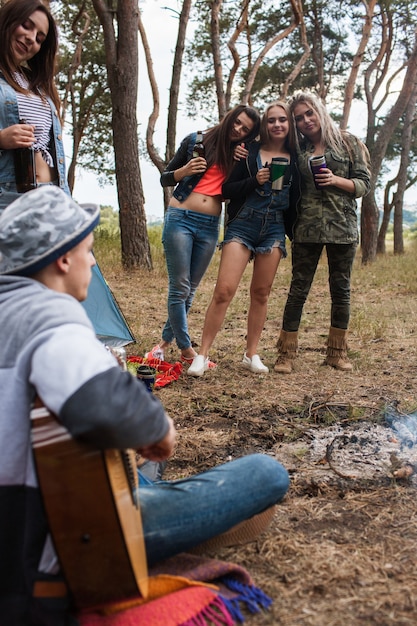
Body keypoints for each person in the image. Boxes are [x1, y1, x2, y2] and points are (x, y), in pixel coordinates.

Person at [0, 186, 290, 625]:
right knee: (267, 472)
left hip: (44, 502)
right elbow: (96, 402)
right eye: (89, 251)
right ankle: (181, 526)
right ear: (62, 260)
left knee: (137, 473)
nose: (93, 262)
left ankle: (168, 509)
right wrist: (157, 428)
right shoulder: (47, 315)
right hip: (58, 542)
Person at [0, 0, 133, 347]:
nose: (31, 39)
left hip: (50, 203)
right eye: (26, 26)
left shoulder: (35, 84)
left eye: (40, 36)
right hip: (8, 206)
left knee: (50, 295)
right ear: (8, 22)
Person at [187, 101, 299, 377]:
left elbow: (298, 197)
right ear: (265, 125)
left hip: (273, 228)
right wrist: (256, 179)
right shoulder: (248, 151)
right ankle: (201, 355)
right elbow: (227, 189)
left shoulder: (296, 156)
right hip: (242, 225)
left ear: (289, 124)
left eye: (282, 120)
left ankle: (251, 354)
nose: (276, 125)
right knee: (224, 290)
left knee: (261, 294)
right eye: (271, 120)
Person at [145, 105, 261, 366]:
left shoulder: (240, 154)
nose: (239, 130)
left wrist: (243, 161)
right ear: (229, 117)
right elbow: (165, 179)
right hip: (181, 219)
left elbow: (238, 188)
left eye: (245, 130)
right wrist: (183, 172)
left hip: (210, 225)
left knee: (191, 289)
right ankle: (187, 350)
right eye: (237, 123)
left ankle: (163, 344)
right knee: (180, 287)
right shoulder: (195, 140)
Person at [273, 91, 371, 374]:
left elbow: (364, 184)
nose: (305, 120)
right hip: (306, 229)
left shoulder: (348, 142)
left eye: (309, 113)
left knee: (341, 291)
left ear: (320, 111)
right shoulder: (297, 149)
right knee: (297, 291)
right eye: (299, 117)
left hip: (342, 228)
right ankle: (286, 354)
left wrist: (336, 179)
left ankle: (336, 353)